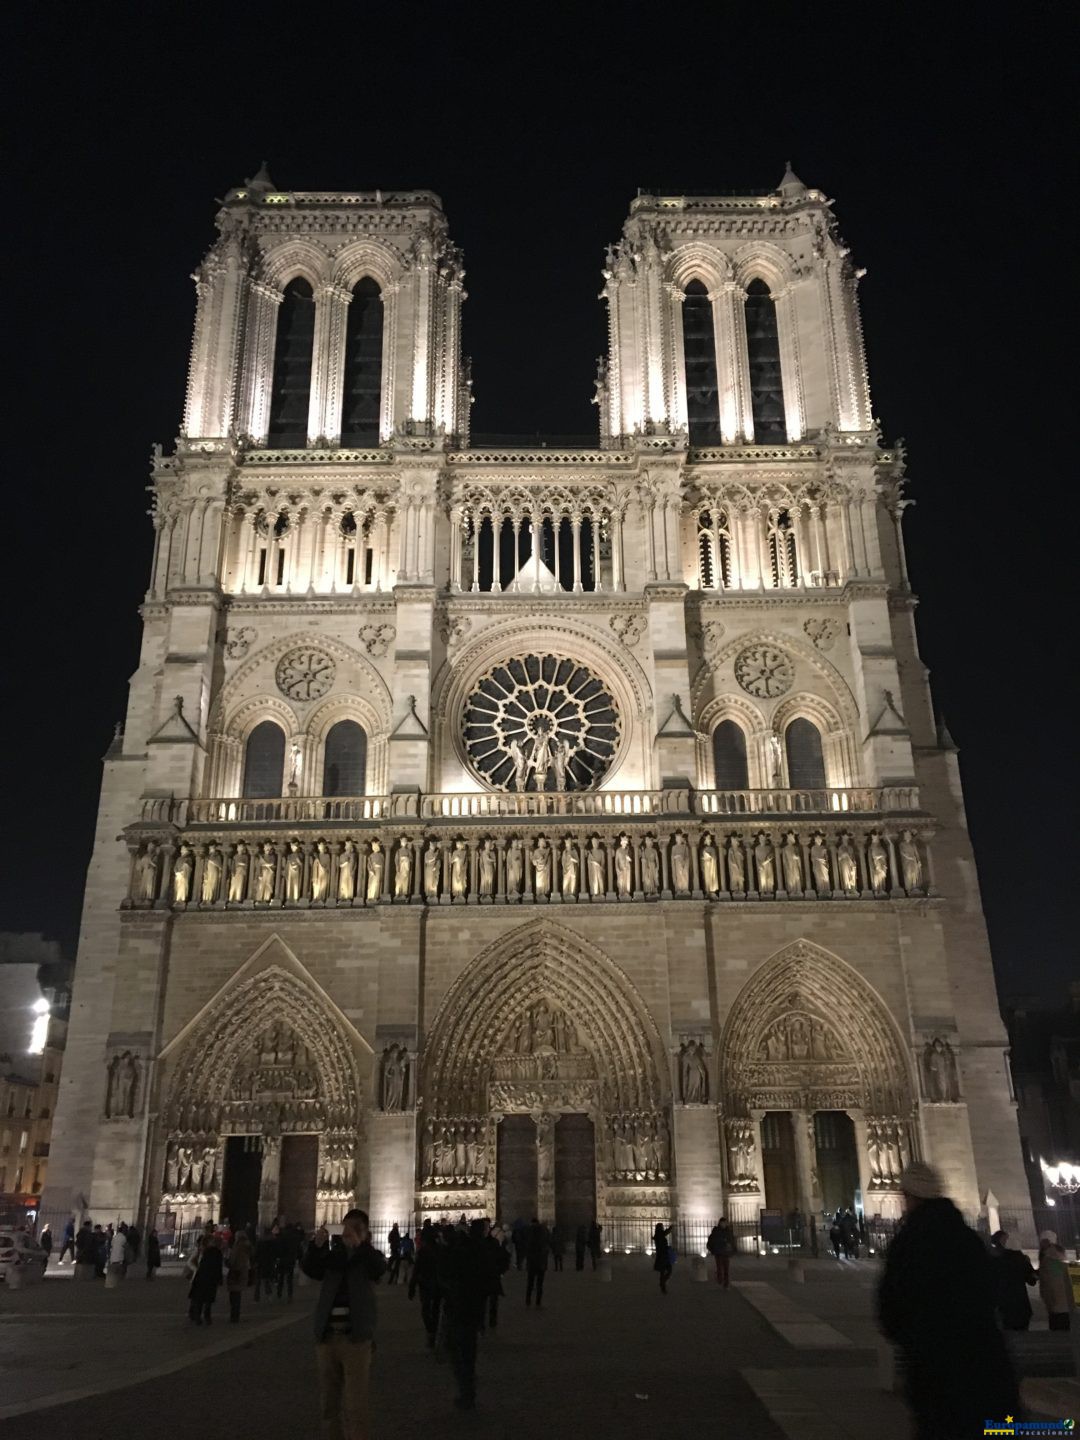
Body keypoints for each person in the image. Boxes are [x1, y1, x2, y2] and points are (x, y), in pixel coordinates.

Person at [878, 1162, 1018, 1440]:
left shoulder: (909, 1243)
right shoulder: (969, 1239)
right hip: (985, 1364)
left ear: (910, 1196)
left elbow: (890, 1311)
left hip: (935, 1370)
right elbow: (993, 1293)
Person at [302, 1209, 387, 1440]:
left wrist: (360, 1245)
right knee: (329, 1405)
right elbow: (311, 1269)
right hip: (327, 1338)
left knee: (355, 1405)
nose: (348, 1232)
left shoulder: (368, 1257)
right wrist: (316, 1246)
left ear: (366, 1232)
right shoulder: (333, 1256)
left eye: (356, 1228)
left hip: (356, 1340)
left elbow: (380, 1268)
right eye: (345, 1227)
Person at [439, 1219, 496, 1411]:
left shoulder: (457, 1253)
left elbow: (445, 1278)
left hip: (458, 1308)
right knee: (467, 1351)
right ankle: (468, 1388)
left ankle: (466, 1389)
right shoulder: (482, 1252)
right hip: (472, 1308)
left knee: (458, 1351)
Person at [989, 1229, 1037, 1330]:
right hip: (1020, 1304)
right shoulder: (1020, 1258)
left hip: (1003, 1304)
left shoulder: (994, 1259)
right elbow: (1031, 1280)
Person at [408, 1223, 442, 1348]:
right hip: (437, 1284)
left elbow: (417, 1270)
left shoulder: (423, 1251)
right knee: (435, 1309)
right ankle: (434, 1329)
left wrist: (412, 1286)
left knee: (426, 1308)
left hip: (425, 1284)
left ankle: (430, 1330)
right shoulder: (440, 1249)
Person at [1037, 1232, 1072, 1331]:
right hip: (1061, 1303)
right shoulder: (1055, 1259)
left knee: (1059, 1330)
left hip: (1057, 1304)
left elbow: (1053, 1283)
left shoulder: (1050, 1260)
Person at [188, 1234, 223, 1325]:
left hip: (203, 1277)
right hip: (207, 1278)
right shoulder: (212, 1252)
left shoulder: (209, 1251)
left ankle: (199, 1317)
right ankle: (202, 1317)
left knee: (202, 1299)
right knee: (205, 1299)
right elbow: (218, 1267)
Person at [483, 1223, 510, 1331]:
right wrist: (501, 1272)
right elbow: (504, 1257)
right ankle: (492, 1321)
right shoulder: (493, 1243)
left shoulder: (478, 1243)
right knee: (492, 1300)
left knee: (483, 1300)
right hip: (493, 1276)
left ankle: (483, 1322)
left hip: (484, 1276)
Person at [227, 1229, 252, 1323]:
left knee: (234, 1296)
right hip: (242, 1272)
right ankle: (235, 1315)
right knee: (237, 1295)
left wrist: (228, 1262)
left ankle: (234, 1316)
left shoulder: (238, 1247)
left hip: (236, 1273)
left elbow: (234, 1260)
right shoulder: (247, 1246)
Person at [525, 1218, 550, 1308]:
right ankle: (538, 1301)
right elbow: (545, 1252)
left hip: (532, 1263)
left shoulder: (530, 1240)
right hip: (540, 1264)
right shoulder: (543, 1241)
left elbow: (527, 1251)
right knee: (539, 1284)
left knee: (530, 1282)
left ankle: (528, 1300)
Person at [706, 1216, 735, 1287]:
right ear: (720, 1223)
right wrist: (713, 1250)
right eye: (723, 1223)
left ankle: (726, 1283)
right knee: (719, 1268)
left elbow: (732, 1241)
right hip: (718, 1253)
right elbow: (711, 1241)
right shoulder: (716, 1231)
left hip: (726, 1253)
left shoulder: (728, 1231)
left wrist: (732, 1250)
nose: (724, 1224)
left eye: (725, 1223)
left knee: (726, 1269)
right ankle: (720, 1279)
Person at [255, 1224, 280, 1302]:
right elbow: (275, 1252)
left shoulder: (260, 1242)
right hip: (269, 1262)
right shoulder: (273, 1242)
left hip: (261, 1262)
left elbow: (256, 1253)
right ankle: (269, 1294)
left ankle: (257, 1297)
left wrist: (255, 1261)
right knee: (267, 1280)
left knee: (258, 1281)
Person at [277, 1223, 301, 1302]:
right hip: (291, 1259)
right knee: (289, 1278)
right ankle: (289, 1294)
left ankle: (279, 1293)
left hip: (283, 1259)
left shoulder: (282, 1236)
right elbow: (298, 1248)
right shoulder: (295, 1237)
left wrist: (278, 1256)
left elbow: (279, 1248)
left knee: (281, 1277)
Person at [653, 1221, 673, 1294]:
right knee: (668, 1270)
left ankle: (662, 1285)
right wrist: (670, 1228)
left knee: (663, 1271)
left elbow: (664, 1233)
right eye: (662, 1227)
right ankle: (663, 1283)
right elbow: (664, 1233)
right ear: (659, 1228)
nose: (662, 1228)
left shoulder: (658, 1234)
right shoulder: (659, 1235)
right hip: (662, 1255)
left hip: (662, 1255)